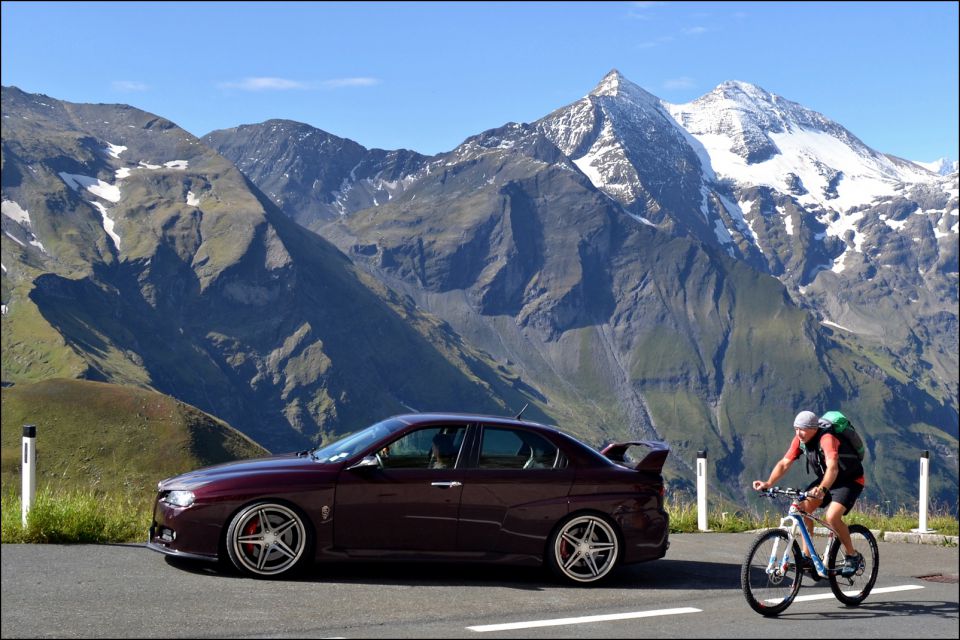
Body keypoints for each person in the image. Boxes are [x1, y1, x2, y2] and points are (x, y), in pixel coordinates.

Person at [752, 410, 865, 577]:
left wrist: (822, 489)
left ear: (813, 428)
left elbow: (833, 468)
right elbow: (784, 463)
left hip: (849, 480)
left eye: (802, 429)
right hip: (826, 480)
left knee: (832, 517)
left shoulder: (827, 439)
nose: (799, 433)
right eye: (796, 429)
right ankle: (807, 557)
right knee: (801, 508)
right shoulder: (800, 441)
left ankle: (852, 555)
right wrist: (768, 483)